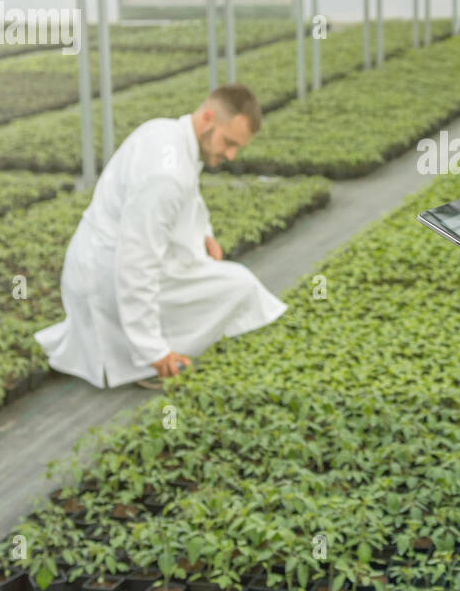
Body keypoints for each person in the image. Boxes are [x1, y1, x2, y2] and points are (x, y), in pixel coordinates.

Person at [35, 84, 287, 390]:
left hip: (96, 263)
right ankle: (144, 362)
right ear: (208, 118)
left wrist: (205, 235)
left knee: (227, 280)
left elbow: (188, 199)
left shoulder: (167, 134)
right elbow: (136, 263)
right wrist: (152, 350)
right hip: (106, 278)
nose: (231, 155)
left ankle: (142, 346)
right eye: (229, 142)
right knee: (239, 285)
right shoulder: (165, 175)